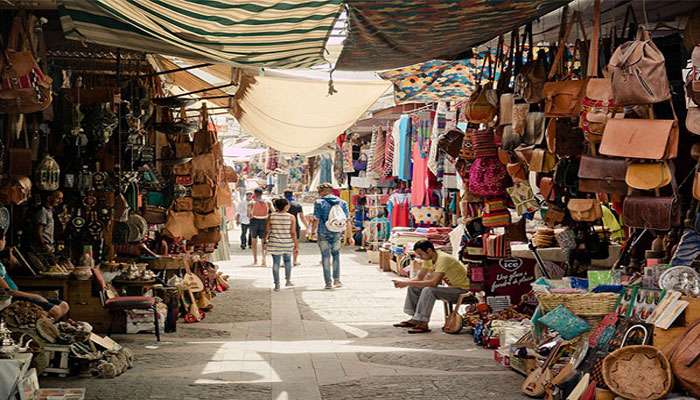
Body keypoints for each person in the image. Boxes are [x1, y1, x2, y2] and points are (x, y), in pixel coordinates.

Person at [393, 240, 470, 334]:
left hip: (463, 290)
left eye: (421, 254)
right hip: (452, 288)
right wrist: (405, 282)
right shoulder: (429, 259)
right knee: (413, 288)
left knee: (429, 290)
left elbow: (434, 283)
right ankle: (415, 319)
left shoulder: (443, 259)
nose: (420, 258)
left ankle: (423, 322)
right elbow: (419, 278)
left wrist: (407, 283)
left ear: (429, 251)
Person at [0, 231, 69, 319]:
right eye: (4, 238)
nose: (5, 241)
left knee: (64, 305)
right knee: (55, 311)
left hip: (16, 295)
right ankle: (37, 327)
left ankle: (42, 326)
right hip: (9, 299)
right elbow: (7, 291)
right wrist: (34, 296)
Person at [313, 183, 349, 289]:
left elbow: (316, 219)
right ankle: (337, 280)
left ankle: (328, 283)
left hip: (323, 232)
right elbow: (347, 220)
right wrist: (349, 235)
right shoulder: (342, 202)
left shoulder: (319, 202)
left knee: (325, 257)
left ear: (322, 192)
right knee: (336, 255)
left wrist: (312, 232)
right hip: (337, 232)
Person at [264, 198, 298, 291]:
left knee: (276, 263)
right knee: (287, 262)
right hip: (287, 242)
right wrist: (296, 244)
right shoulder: (291, 217)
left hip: (274, 242)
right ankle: (288, 281)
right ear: (286, 206)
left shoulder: (271, 216)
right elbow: (293, 232)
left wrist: (265, 241)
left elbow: (267, 230)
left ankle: (277, 285)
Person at [248, 188, 271, 266]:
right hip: (264, 221)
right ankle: (264, 260)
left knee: (254, 241)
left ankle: (255, 260)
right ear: (262, 193)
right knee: (264, 241)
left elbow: (248, 214)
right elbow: (273, 211)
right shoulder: (267, 201)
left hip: (254, 221)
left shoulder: (251, 202)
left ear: (255, 193)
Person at [283, 190, 305, 266]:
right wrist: (307, 226)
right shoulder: (297, 204)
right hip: (295, 226)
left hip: (284, 226)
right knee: (295, 244)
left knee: (284, 244)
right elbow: (302, 217)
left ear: (284, 195)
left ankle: (285, 261)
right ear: (292, 195)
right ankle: (294, 261)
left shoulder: (281, 204)